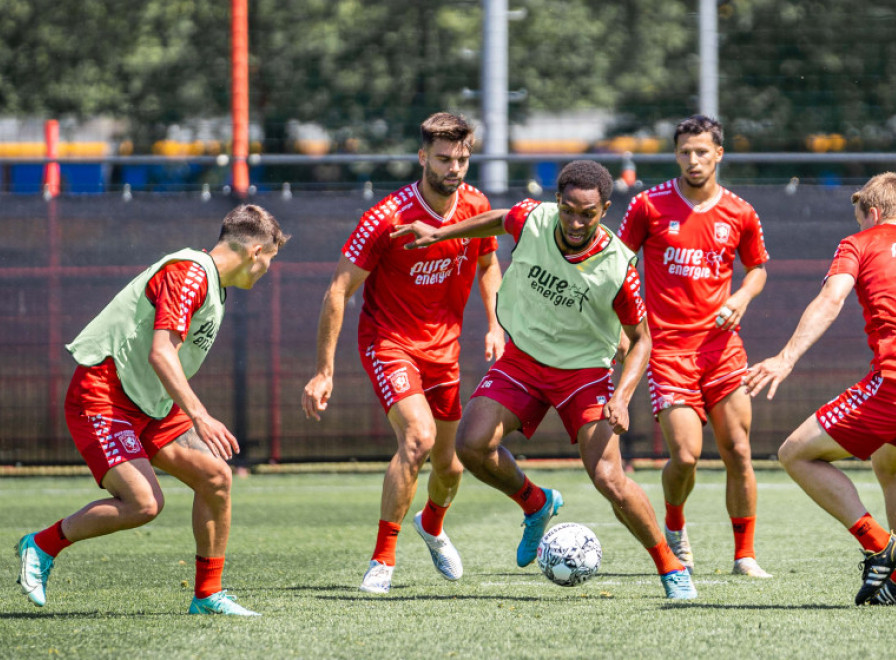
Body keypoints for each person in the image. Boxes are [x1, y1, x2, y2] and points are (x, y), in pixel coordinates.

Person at [390, 160, 698, 599]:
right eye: (568, 210)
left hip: (583, 372)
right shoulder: (534, 218)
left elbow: (642, 341)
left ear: (604, 209)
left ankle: (670, 568)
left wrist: (623, 397)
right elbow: (499, 219)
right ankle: (536, 504)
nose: (575, 221)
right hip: (524, 359)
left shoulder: (619, 266)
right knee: (470, 444)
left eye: (587, 214)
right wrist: (440, 233)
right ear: (557, 202)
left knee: (608, 477)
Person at [15, 205, 289, 616]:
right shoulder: (191, 272)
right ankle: (41, 545)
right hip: (105, 394)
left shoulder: (214, 286)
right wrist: (199, 415)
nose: (268, 269)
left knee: (215, 477)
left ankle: (208, 595)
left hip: (149, 402)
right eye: (270, 258)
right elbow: (162, 354)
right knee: (144, 503)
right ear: (255, 251)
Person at [745, 173, 896, 606]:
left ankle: (881, 546)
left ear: (872, 214)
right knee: (889, 466)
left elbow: (831, 300)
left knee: (795, 453)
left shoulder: (861, 243)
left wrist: (785, 358)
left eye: (859, 218)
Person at [301, 112, 503, 594]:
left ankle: (431, 525)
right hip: (388, 343)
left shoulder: (475, 204)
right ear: (422, 158)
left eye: (462, 158)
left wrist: (496, 324)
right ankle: (383, 560)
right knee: (418, 437)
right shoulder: (386, 217)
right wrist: (323, 372)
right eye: (443, 159)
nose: (454, 168)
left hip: (444, 351)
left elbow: (489, 263)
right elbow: (337, 290)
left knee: (450, 467)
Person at [615, 115, 771, 578]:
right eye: (684, 152)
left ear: (718, 154)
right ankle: (675, 524)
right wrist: (624, 330)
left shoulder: (740, 212)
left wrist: (741, 296)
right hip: (666, 352)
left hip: (723, 350)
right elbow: (618, 263)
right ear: (675, 155)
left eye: (702, 151)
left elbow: (758, 268)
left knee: (738, 450)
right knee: (685, 455)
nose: (693, 160)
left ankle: (744, 555)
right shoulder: (648, 205)